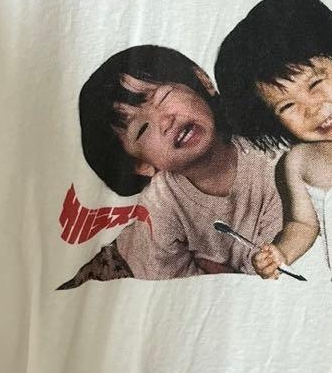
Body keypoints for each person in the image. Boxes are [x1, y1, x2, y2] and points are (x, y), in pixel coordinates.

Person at [58, 45, 281, 286]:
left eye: (163, 97)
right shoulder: (161, 204)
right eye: (142, 129)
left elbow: (280, 257)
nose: (165, 121)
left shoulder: (268, 154)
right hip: (122, 267)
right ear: (141, 164)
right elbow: (172, 289)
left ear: (202, 81)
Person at [214, 0, 332, 281]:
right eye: (287, 106)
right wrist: (281, 253)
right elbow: (302, 224)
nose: (311, 108)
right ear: (271, 120)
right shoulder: (297, 163)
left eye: (315, 83)